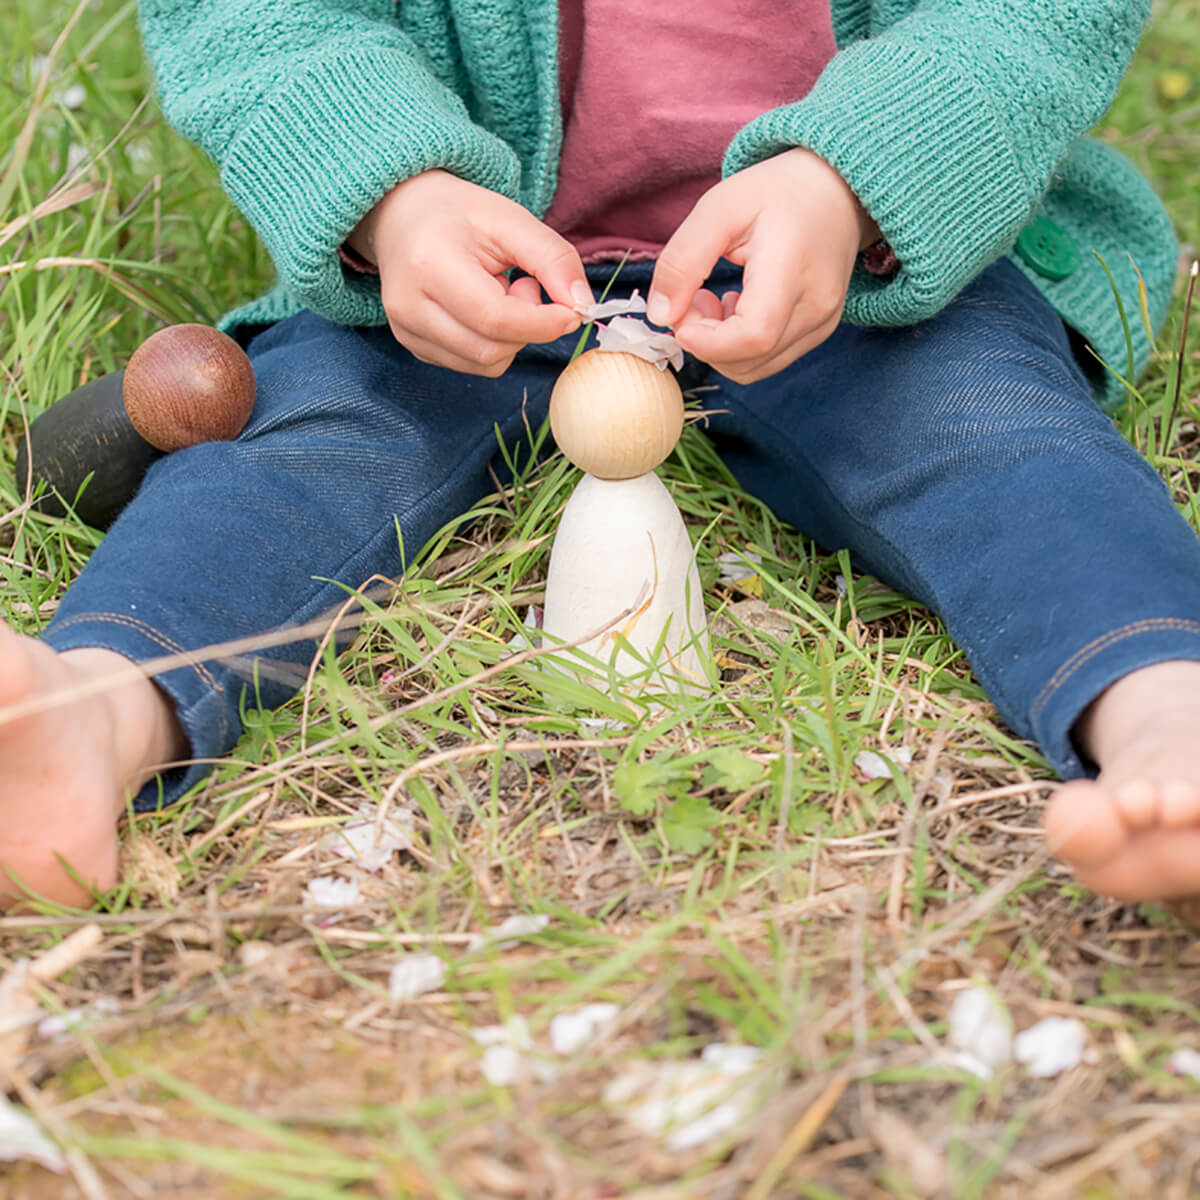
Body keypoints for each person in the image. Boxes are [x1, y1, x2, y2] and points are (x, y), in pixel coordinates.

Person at [2, 0, 1197, 910]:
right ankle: (99, 711)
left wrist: (857, 177)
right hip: (470, 275)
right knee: (304, 449)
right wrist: (392, 192)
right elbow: (258, 22)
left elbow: (1036, 19)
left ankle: (1159, 707)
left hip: (871, 267)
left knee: (990, 430)